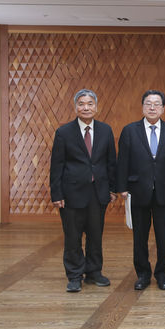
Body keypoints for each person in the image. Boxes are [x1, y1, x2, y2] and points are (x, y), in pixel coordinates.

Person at [50, 89, 117, 293]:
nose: (86, 107)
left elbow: (111, 162)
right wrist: (57, 194)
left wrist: (113, 189)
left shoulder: (106, 130)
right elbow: (56, 165)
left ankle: (94, 272)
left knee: (96, 235)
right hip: (71, 194)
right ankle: (74, 275)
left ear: (96, 107)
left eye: (90, 104)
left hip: (98, 193)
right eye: (81, 104)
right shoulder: (64, 132)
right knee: (73, 236)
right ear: (75, 107)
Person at [117, 90, 165, 291]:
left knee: (163, 237)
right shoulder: (130, 130)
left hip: (164, 191)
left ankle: (162, 274)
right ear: (142, 107)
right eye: (148, 104)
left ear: (163, 108)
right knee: (140, 237)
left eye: (157, 104)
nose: (152, 107)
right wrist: (122, 187)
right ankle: (142, 274)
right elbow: (122, 161)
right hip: (137, 191)